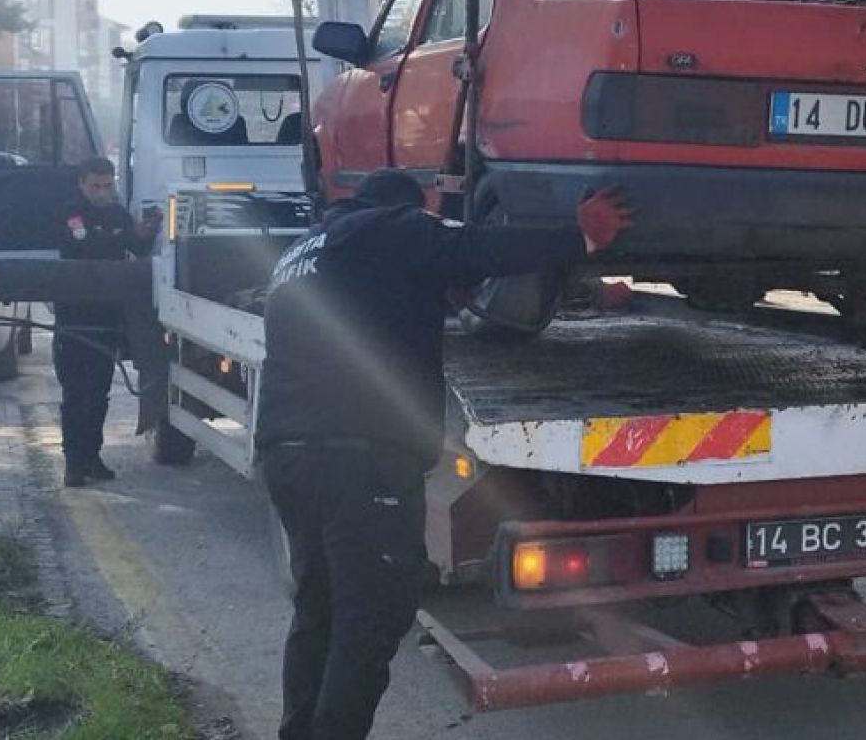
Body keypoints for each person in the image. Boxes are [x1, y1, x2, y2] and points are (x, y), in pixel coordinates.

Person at [256, 169, 632, 740]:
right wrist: (578, 236)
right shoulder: (395, 228)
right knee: (370, 621)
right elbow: (476, 248)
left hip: (290, 456)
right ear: (413, 207)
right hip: (363, 461)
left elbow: (379, 303)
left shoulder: (305, 251)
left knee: (319, 609)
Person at [54, 156, 156, 488]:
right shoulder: (70, 213)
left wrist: (147, 232)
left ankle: (92, 457)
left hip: (107, 318)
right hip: (74, 319)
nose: (102, 193)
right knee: (75, 394)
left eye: (107, 186)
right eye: (95, 186)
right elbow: (84, 247)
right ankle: (73, 462)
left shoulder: (118, 215)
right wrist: (125, 236)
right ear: (81, 184)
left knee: (99, 392)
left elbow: (136, 247)